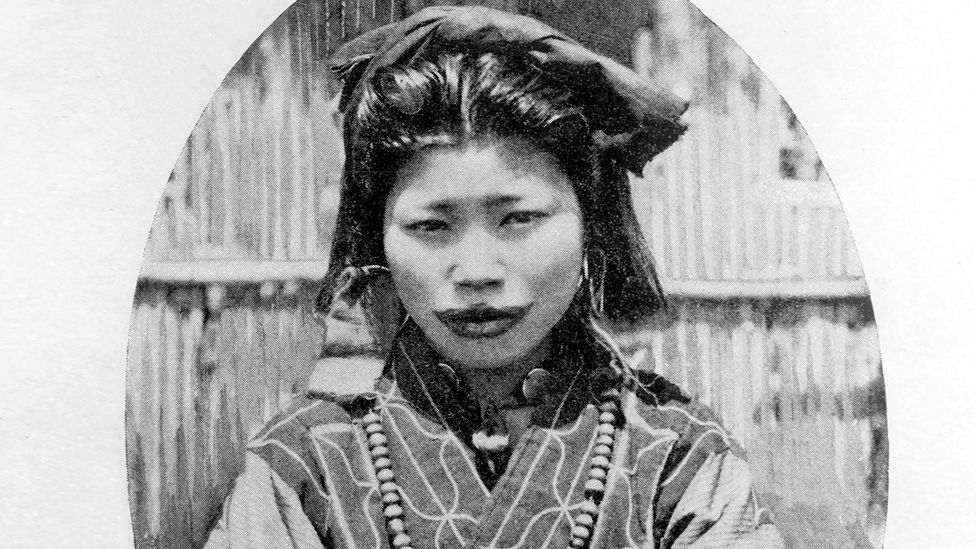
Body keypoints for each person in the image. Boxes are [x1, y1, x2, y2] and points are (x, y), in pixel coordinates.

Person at [203, 6, 784, 549]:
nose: (476, 272)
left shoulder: (676, 455)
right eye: (430, 226)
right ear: (377, 238)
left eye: (519, 219)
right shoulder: (305, 462)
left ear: (591, 225)